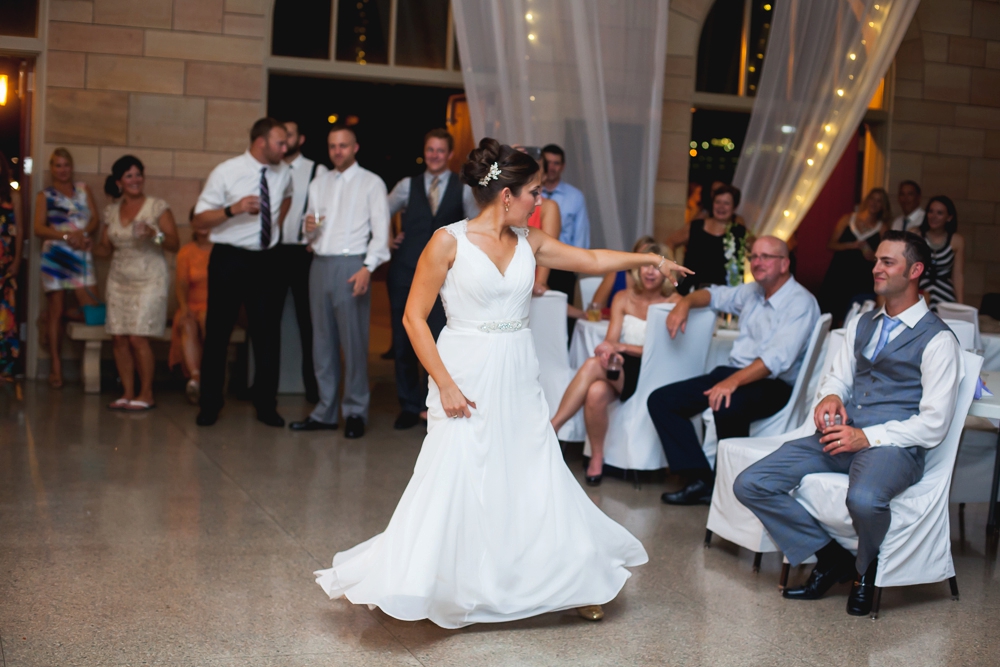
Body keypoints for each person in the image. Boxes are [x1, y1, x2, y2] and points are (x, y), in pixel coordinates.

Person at [313, 138, 691, 627]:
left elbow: (592, 259)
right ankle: (441, 582)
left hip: (517, 371)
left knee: (534, 472)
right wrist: (444, 383)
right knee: (460, 474)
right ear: (508, 194)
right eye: (535, 191)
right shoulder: (447, 241)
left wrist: (649, 262)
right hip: (464, 370)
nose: (542, 200)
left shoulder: (529, 241)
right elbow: (412, 318)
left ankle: (570, 579)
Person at [734, 231, 962, 617]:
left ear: (915, 271)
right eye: (876, 260)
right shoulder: (861, 322)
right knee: (751, 482)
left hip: (893, 447)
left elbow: (934, 425)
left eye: (887, 262)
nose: (876, 268)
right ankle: (828, 557)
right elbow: (838, 377)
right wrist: (830, 395)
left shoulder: (939, 341)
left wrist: (865, 437)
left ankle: (864, 571)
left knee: (864, 499)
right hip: (843, 436)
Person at [648, 236, 819, 506]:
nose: (757, 262)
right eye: (754, 257)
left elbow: (776, 361)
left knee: (726, 404)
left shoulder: (800, 303)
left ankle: (730, 489)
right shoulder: (752, 291)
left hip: (772, 384)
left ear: (785, 263)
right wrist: (685, 303)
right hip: (735, 371)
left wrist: (731, 383)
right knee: (661, 400)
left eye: (766, 257)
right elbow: (714, 295)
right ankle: (702, 480)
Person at [550, 240, 680, 486]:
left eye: (656, 266)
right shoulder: (623, 297)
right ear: (637, 268)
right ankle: (597, 457)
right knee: (596, 389)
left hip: (653, 372)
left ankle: (552, 427)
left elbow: (664, 353)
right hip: (623, 367)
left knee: (592, 372)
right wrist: (609, 351)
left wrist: (623, 348)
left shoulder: (674, 302)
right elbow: (611, 339)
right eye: (646, 266)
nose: (650, 272)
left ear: (666, 270)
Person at [289, 124, 390, 439]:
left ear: (355, 147)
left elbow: (381, 232)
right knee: (322, 343)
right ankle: (325, 411)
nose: (337, 151)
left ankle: (356, 410)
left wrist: (367, 267)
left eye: (343, 145)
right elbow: (312, 231)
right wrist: (308, 229)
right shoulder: (319, 183)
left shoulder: (371, 183)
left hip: (352, 265)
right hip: (319, 263)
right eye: (333, 146)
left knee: (354, 342)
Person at [192, 118, 292, 427]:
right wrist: (231, 210)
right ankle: (209, 404)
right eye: (280, 143)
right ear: (261, 142)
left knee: (267, 335)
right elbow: (199, 220)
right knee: (218, 333)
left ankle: (266, 405)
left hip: (267, 260)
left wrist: (274, 223)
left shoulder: (284, 172)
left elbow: (286, 198)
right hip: (229, 260)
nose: (285, 148)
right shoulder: (226, 171)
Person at [385, 128, 478, 430]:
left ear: (450, 154)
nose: (434, 155)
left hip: (445, 278)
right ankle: (409, 405)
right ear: (424, 152)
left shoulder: (462, 187)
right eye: (430, 150)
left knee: (439, 340)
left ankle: (434, 403)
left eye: (440, 150)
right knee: (403, 340)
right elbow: (378, 212)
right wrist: (387, 239)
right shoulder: (406, 185)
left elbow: (473, 226)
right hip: (404, 272)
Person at [96, 156, 179, 411]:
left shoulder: (157, 207)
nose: (135, 180)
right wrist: (86, 246)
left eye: (138, 174)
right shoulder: (111, 211)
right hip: (119, 278)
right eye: (129, 176)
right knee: (119, 337)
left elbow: (174, 244)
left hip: (150, 277)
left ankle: (146, 393)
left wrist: (155, 235)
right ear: (119, 181)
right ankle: (127, 392)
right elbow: (104, 249)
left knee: (137, 338)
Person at [33, 148, 100, 388]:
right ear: (52, 168)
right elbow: (39, 228)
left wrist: (81, 234)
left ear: (71, 167)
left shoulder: (83, 189)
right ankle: (56, 367)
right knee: (56, 309)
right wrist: (65, 236)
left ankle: (50, 319)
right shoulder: (45, 195)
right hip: (56, 256)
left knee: (91, 308)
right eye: (58, 166)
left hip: (81, 250)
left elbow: (94, 219)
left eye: (66, 165)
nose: (62, 170)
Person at [275, 120, 326, 403]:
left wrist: (314, 239)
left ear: (301, 139)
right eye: (281, 136)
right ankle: (261, 387)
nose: (285, 141)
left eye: (289, 136)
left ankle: (313, 389)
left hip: (302, 253)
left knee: (309, 324)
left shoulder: (316, 171)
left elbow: (322, 211)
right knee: (266, 320)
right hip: (273, 253)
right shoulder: (271, 169)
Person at [818, 187, 891, 325]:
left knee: (853, 314)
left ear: (883, 206)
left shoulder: (882, 228)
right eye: (872, 199)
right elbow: (830, 244)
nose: (874, 203)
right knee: (831, 310)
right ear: (867, 200)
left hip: (862, 276)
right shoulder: (848, 219)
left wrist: (874, 256)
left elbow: (885, 255)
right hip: (839, 271)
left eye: (879, 201)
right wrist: (851, 245)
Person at [541, 143, 590, 331]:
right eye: (548, 162)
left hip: (563, 264)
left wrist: (575, 267)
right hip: (536, 261)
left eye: (556, 163)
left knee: (561, 318)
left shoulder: (575, 196)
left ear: (563, 166)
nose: (551, 167)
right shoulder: (532, 193)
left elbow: (581, 234)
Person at [666, 184, 748, 295]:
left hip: (725, 295)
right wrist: (675, 268)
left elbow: (758, 250)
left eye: (726, 203)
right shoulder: (696, 226)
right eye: (717, 202)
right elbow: (670, 242)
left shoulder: (740, 231)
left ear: (735, 207)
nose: (721, 207)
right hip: (692, 291)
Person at [169, 215, 213, 404]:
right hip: (191, 304)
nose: (203, 226)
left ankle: (212, 377)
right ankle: (196, 379)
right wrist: (184, 307)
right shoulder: (186, 252)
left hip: (215, 304)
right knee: (186, 323)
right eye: (199, 221)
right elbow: (181, 283)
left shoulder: (222, 250)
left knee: (206, 319)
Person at [918, 195, 964, 309]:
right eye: (931, 211)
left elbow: (958, 275)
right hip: (918, 294)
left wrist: (960, 306)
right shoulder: (915, 236)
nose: (934, 216)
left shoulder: (957, 240)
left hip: (945, 296)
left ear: (949, 217)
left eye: (939, 213)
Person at [0, 151, 23, 379]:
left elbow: (20, 232)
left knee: (6, 316)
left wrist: (17, 260)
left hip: (5, 262)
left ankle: (5, 366)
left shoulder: (12, 195)